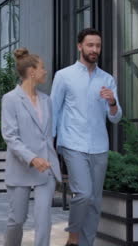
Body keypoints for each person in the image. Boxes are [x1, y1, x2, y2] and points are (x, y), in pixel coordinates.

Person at [50, 28, 122, 246]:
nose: (94, 50)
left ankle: (85, 243)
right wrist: (49, 144)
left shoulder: (107, 79)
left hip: (99, 146)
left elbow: (116, 118)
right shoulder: (64, 76)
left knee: (95, 201)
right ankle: (73, 234)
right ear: (80, 46)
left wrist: (112, 102)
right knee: (83, 194)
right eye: (90, 45)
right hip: (73, 144)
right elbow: (54, 111)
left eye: (98, 46)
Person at [1, 48, 62, 246]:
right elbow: (10, 136)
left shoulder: (47, 100)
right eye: (42, 68)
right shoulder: (10, 99)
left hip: (46, 168)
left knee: (44, 220)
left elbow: (47, 136)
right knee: (17, 220)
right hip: (22, 168)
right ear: (31, 72)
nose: (46, 72)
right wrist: (32, 158)